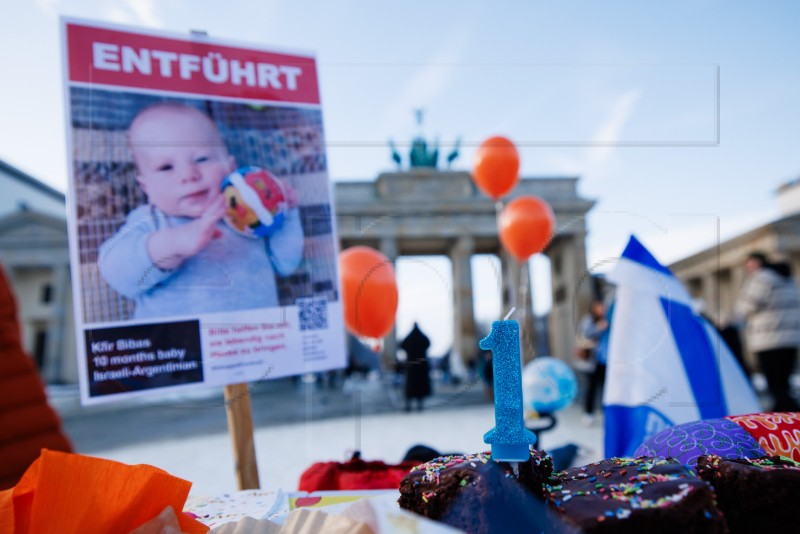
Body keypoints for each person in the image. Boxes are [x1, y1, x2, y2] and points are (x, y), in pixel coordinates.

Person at [99, 103, 303, 319]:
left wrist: (286, 214)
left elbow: (286, 264)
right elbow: (117, 275)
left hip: (255, 343)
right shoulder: (152, 221)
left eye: (201, 159)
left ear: (231, 168)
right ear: (146, 187)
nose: (189, 174)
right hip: (181, 348)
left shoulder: (249, 215)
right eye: (166, 167)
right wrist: (175, 243)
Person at [734, 252, 800, 412]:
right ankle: (780, 418)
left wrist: (731, 321)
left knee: (775, 386)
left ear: (758, 262)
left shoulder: (762, 278)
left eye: (749, 264)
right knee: (782, 384)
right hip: (791, 338)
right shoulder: (787, 279)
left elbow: (746, 306)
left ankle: (791, 419)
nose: (748, 268)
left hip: (769, 339)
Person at [577, 299, 609, 425]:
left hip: (605, 359)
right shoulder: (588, 320)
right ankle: (588, 413)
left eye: (602, 307)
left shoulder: (608, 319)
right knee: (591, 387)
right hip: (592, 361)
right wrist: (599, 328)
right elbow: (586, 334)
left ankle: (603, 412)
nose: (601, 310)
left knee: (605, 388)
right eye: (598, 307)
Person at [400, 322, 432, 412]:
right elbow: (428, 343)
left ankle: (408, 406)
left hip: (411, 366)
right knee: (420, 387)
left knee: (410, 387)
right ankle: (420, 406)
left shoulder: (409, 338)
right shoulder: (422, 338)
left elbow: (402, 345)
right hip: (421, 365)